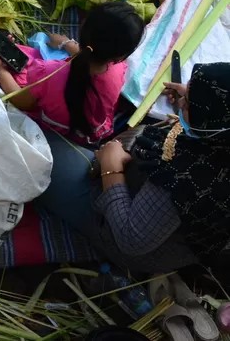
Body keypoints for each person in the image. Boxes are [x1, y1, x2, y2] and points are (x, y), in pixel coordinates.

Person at [35, 62, 230, 274]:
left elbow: (131, 238)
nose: (181, 101)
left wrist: (111, 170)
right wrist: (196, 97)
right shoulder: (219, 139)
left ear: (211, 123)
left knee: (36, 150)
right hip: (155, 212)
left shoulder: (186, 179)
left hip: (128, 237)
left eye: (188, 103)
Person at [0, 1, 145, 145]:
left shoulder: (48, 74)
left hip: (55, 133)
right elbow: (94, 59)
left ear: (82, 27)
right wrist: (68, 45)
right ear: (121, 56)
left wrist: (0, 69)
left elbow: (21, 101)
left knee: (15, 66)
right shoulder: (118, 70)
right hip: (93, 134)